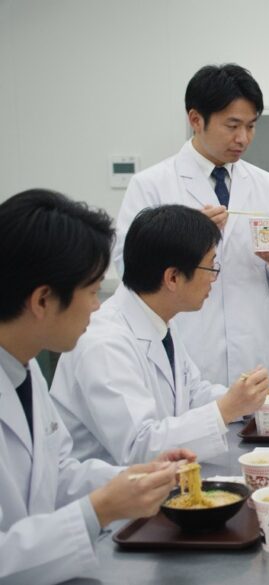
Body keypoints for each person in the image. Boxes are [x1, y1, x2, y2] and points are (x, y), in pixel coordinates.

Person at [0, 190, 191, 584]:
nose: (97, 306)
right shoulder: (91, 345)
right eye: (91, 291)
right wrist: (99, 509)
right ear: (43, 300)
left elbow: (58, 474)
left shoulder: (24, 367)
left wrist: (134, 480)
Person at [113, 63, 269, 385]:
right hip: (191, 346)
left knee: (257, 413)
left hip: (252, 348)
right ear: (196, 119)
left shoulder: (264, 183)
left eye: (251, 126)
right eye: (232, 125)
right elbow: (126, 266)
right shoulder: (152, 184)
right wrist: (187, 236)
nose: (243, 138)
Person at [52, 205, 269, 465]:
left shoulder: (158, 319)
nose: (213, 279)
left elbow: (191, 394)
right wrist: (227, 409)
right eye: (210, 267)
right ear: (173, 278)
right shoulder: (104, 343)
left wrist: (249, 399)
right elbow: (139, 446)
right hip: (110, 484)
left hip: (158, 478)